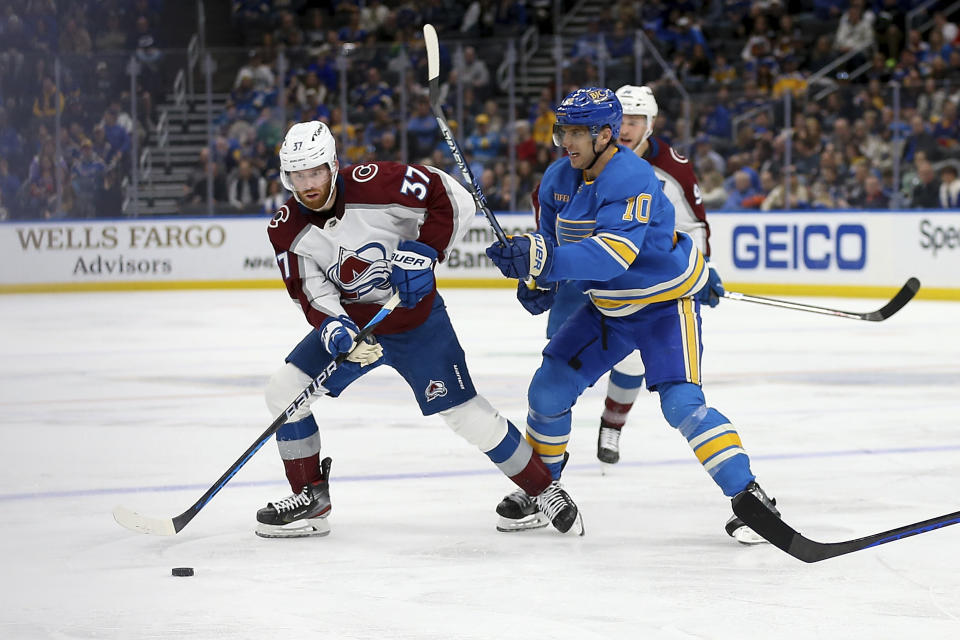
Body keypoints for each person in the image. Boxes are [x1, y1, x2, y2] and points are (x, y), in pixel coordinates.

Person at [257, 121, 581, 539]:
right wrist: (335, 329)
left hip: (418, 322)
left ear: (333, 165)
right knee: (284, 392)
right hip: (358, 328)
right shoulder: (284, 227)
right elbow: (310, 289)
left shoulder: (380, 184)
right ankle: (310, 498)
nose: (308, 185)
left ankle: (543, 490)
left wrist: (426, 252)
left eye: (315, 172)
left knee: (465, 414)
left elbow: (453, 197)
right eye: (298, 176)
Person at [484, 88, 779, 543]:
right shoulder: (556, 179)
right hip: (607, 307)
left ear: (605, 134)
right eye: (562, 130)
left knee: (682, 404)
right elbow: (552, 248)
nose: (566, 141)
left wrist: (543, 261)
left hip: (664, 304)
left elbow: (611, 256)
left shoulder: (633, 175)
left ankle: (751, 496)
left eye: (577, 132)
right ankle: (540, 489)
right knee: (547, 389)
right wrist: (536, 282)